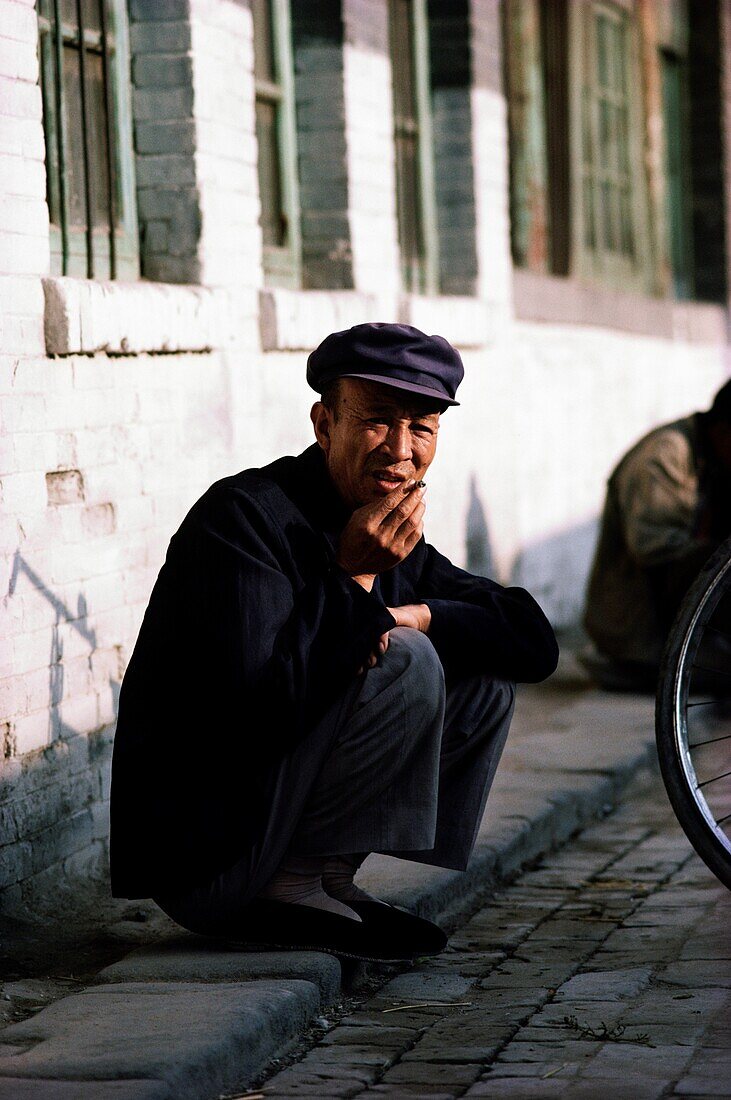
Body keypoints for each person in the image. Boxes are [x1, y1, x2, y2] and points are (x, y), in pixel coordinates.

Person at [110, 323, 558, 962]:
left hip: (270, 829)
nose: (400, 451)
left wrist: (421, 612)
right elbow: (255, 717)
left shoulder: (380, 521)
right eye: (377, 421)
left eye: (422, 429)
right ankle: (288, 884)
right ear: (324, 425)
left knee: (480, 676)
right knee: (404, 660)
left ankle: (327, 878)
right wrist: (354, 581)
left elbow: (533, 643)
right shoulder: (245, 519)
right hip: (213, 857)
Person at [582, 379, 731, 691]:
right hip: (636, 629)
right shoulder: (665, 453)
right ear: (723, 430)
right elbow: (655, 549)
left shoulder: (712, 459)